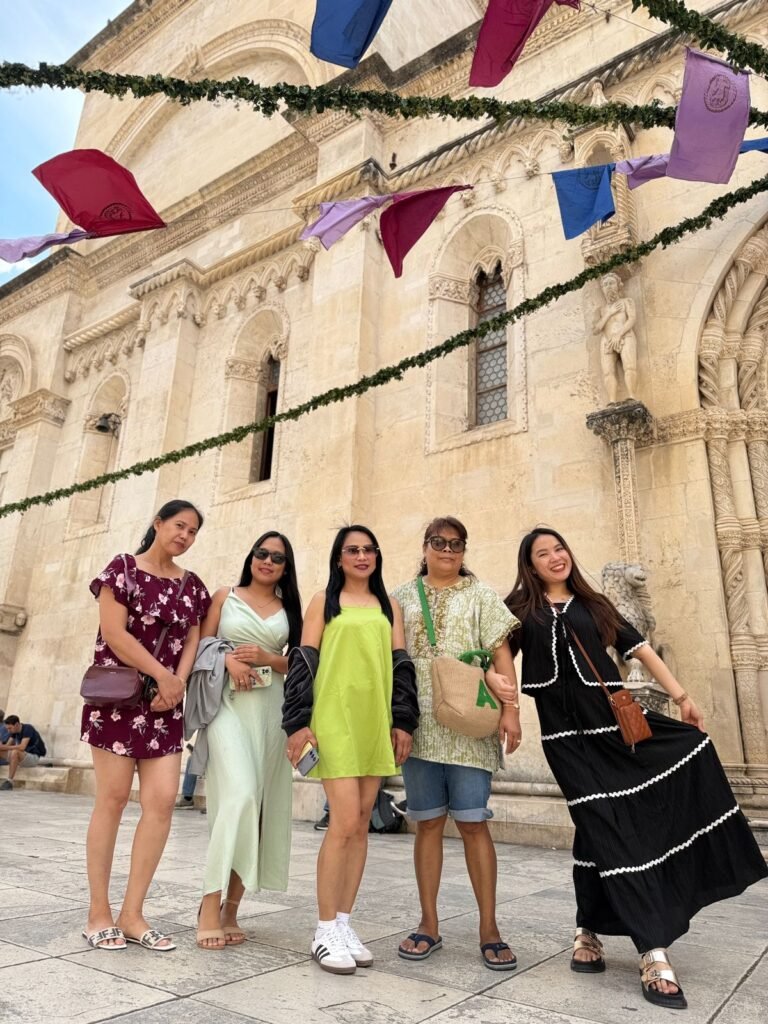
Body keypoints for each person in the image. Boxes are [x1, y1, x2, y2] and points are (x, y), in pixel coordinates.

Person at [505, 527, 768, 1010]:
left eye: (560, 548)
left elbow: (639, 649)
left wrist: (683, 698)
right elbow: (498, 656)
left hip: (615, 731)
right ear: (531, 565)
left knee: (604, 824)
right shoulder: (521, 610)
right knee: (606, 827)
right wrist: (502, 705)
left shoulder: (595, 604)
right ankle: (652, 948)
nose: (555, 557)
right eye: (543, 553)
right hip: (566, 743)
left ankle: (590, 931)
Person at [283, 525, 418, 975]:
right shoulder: (324, 601)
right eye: (352, 550)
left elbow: (401, 664)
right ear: (339, 558)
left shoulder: (388, 605)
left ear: (377, 555)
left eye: (368, 549)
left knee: (361, 823)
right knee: (342, 822)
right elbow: (303, 661)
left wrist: (403, 720)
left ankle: (343, 923)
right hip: (334, 719)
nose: (361, 556)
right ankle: (324, 930)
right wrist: (297, 723)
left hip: (374, 721)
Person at [392, 516, 522, 971]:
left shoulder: (481, 594)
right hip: (419, 724)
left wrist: (512, 710)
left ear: (464, 550)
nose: (447, 550)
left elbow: (501, 652)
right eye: (439, 542)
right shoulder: (400, 597)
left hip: (471, 722)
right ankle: (428, 924)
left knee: (472, 823)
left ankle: (490, 928)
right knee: (427, 823)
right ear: (424, 546)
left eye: (456, 544)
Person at [80, 499, 210, 952]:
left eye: (193, 531)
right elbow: (115, 634)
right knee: (113, 799)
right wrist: (162, 675)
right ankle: (98, 912)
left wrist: (178, 683)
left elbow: (193, 638)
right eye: (179, 526)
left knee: (161, 802)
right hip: (117, 701)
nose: (185, 536)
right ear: (158, 523)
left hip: (164, 706)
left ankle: (132, 914)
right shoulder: (122, 569)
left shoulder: (193, 586)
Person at [194, 531, 303, 950]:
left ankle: (232, 909)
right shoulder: (225, 596)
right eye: (261, 552)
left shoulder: (290, 608)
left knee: (256, 806)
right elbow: (199, 645)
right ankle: (209, 904)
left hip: (270, 711)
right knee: (239, 795)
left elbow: (301, 663)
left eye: (277, 557)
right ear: (251, 556)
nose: (268, 561)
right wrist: (227, 659)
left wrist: (268, 658)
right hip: (227, 705)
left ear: (285, 567)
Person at [0, 715, 47, 789]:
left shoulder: (28, 728)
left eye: (10, 728)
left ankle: (9, 781)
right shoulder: (14, 732)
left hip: (33, 757)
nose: (8, 731)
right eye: (7, 729)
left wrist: (4, 747)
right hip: (22, 757)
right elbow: (7, 746)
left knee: (15, 752)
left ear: (16, 725)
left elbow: (22, 747)